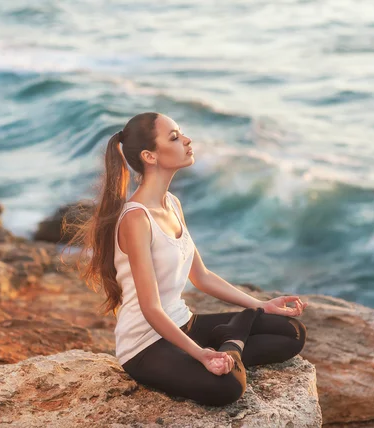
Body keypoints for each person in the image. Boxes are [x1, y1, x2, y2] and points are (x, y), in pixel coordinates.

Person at [61, 112, 308, 407]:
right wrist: (201, 354)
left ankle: (232, 339)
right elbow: (150, 309)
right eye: (175, 137)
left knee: (291, 333)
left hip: (182, 323)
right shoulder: (136, 219)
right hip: (146, 345)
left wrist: (261, 305)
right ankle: (233, 339)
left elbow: (201, 276)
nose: (187, 140)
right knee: (227, 387)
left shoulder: (172, 204)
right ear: (149, 156)